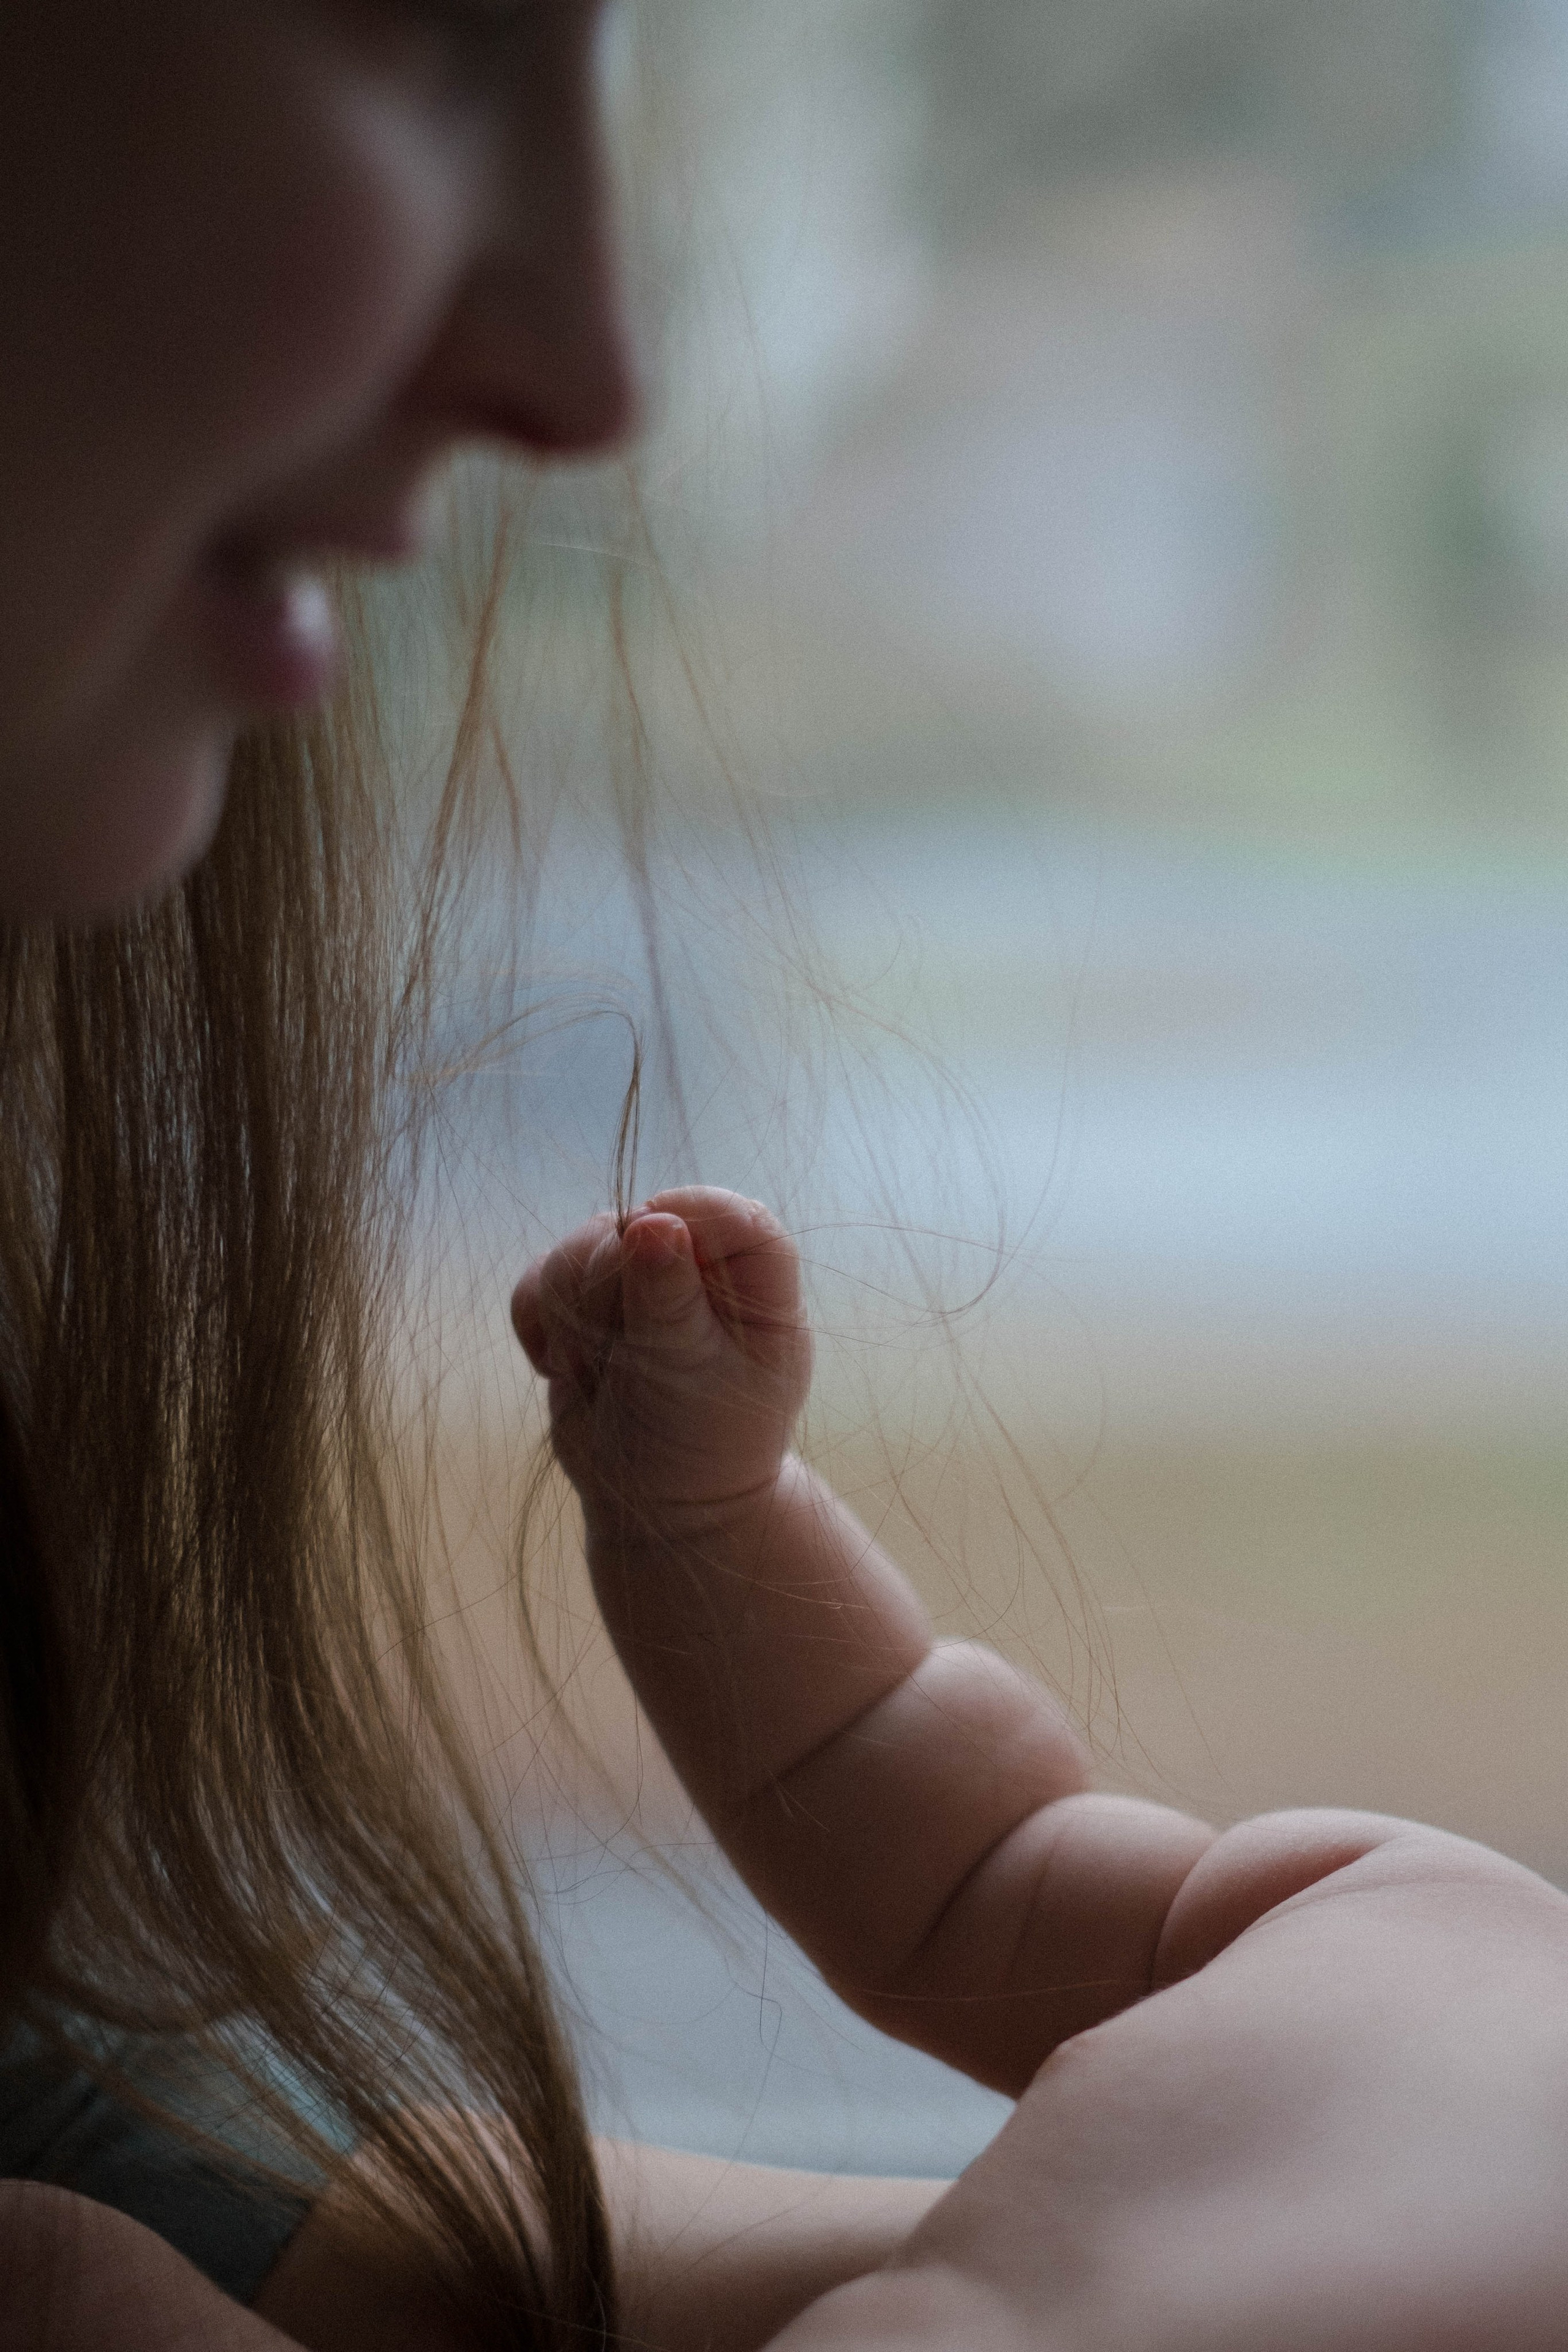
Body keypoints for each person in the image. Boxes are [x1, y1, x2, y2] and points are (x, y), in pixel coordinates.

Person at [8, 7, 1568, 2352]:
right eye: (407, 30)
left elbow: (957, 1874)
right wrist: (715, 1530)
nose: (595, 366)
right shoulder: (1426, 1935)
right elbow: (959, 1852)